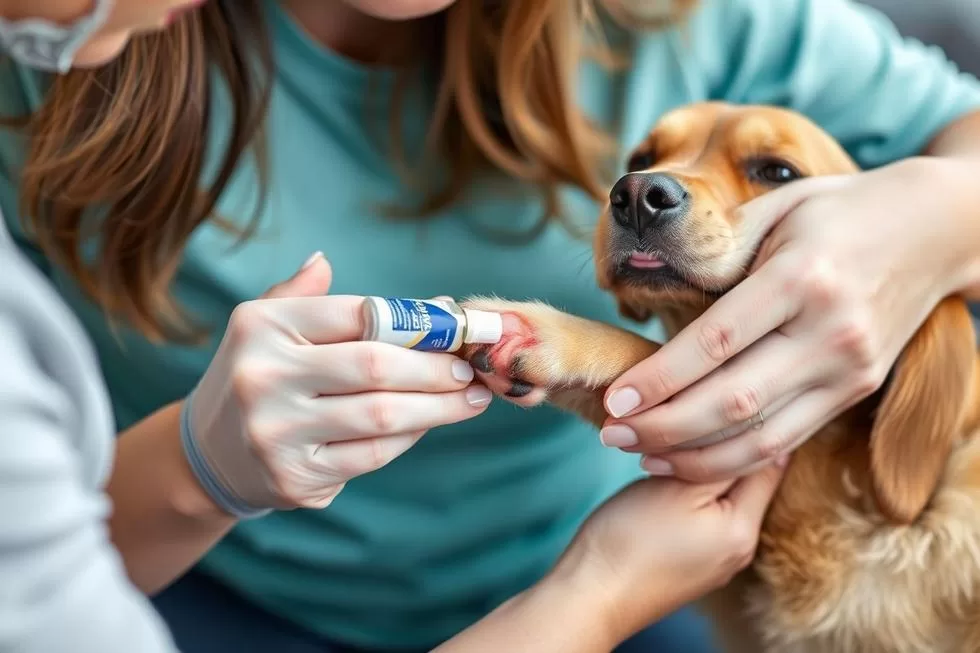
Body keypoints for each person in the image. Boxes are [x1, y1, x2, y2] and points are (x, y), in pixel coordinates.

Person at [1, 0, 978, 651]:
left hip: (644, 564)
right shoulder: (55, 38)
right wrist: (196, 469)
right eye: (641, 161)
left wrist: (933, 215)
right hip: (203, 593)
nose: (646, 188)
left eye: (764, 172)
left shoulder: (678, 16)